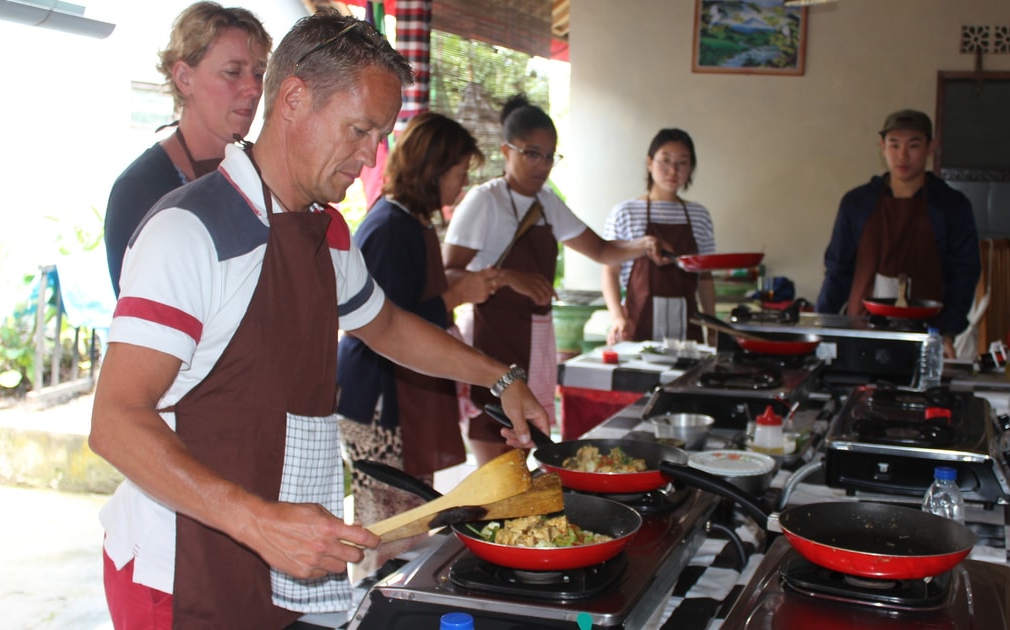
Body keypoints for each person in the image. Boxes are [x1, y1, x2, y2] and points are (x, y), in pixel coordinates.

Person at [88, 12, 547, 629]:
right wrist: (258, 521)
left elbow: (385, 326)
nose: (370, 156)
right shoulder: (189, 232)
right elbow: (116, 422)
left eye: (380, 135)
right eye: (359, 130)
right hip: (177, 567)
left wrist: (500, 378)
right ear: (295, 100)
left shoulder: (325, 230)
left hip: (284, 550)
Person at [443, 93, 671, 464]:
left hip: (536, 336)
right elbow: (449, 276)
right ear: (506, 151)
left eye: (550, 155)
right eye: (532, 153)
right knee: (496, 444)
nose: (543, 165)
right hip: (492, 335)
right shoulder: (484, 201)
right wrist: (507, 277)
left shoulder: (548, 202)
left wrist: (644, 245)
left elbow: (601, 251)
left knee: (527, 444)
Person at [335, 111, 498, 574]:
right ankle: (378, 608)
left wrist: (452, 292)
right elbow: (384, 327)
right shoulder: (389, 227)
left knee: (409, 524)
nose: (462, 185)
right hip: (379, 402)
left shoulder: (413, 221)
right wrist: (456, 294)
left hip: (402, 400)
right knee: (388, 531)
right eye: (459, 173)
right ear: (432, 169)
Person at [103, 2, 271, 296]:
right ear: (184, 78)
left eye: (258, 73)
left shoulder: (260, 176)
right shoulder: (140, 189)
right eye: (233, 72)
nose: (254, 88)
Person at [815, 109, 980, 358]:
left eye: (913, 145)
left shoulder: (952, 206)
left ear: (930, 147)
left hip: (926, 334)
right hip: (862, 331)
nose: (903, 155)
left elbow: (964, 274)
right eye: (894, 145)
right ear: (882, 147)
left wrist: (946, 330)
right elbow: (838, 270)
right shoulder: (857, 202)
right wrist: (822, 327)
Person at [601, 128, 716, 345]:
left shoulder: (699, 215)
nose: (673, 170)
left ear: (691, 168)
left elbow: (706, 277)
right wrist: (617, 317)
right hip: (636, 324)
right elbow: (610, 271)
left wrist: (712, 325)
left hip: (687, 327)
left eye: (682, 162)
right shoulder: (625, 212)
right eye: (665, 160)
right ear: (649, 162)